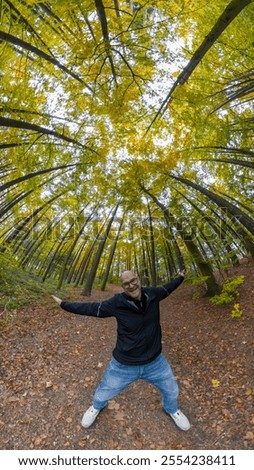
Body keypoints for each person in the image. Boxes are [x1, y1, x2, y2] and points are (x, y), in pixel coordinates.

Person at [51, 270, 190, 431]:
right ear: (122, 287)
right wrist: (64, 304)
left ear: (138, 278)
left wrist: (180, 277)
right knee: (105, 391)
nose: (131, 285)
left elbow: (168, 288)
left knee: (172, 389)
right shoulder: (117, 303)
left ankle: (172, 409)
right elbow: (90, 308)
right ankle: (96, 407)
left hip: (155, 362)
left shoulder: (153, 294)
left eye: (133, 280)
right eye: (126, 284)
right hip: (124, 365)